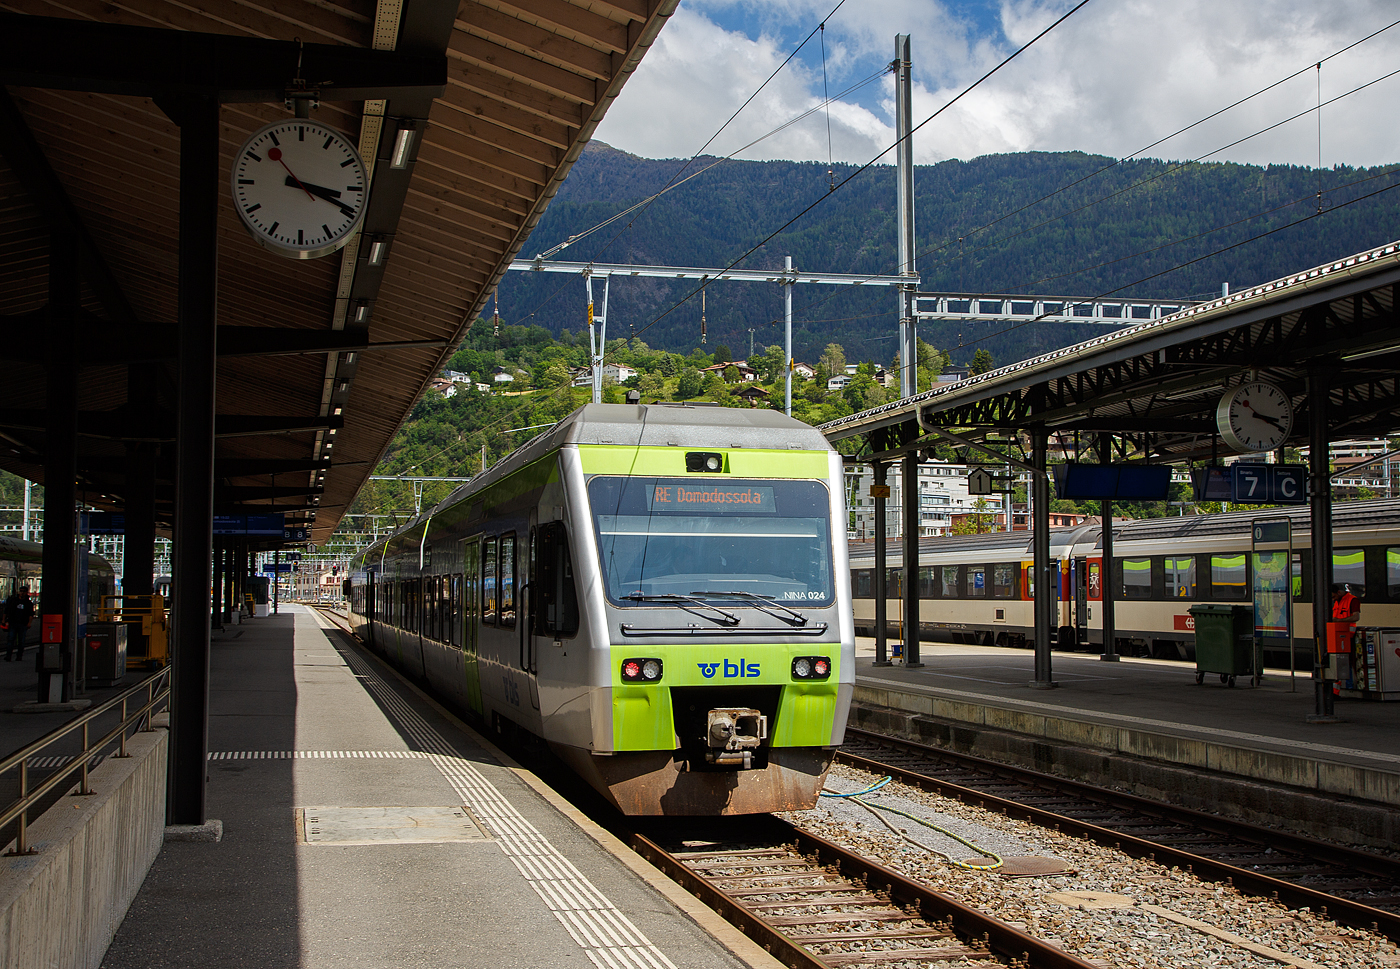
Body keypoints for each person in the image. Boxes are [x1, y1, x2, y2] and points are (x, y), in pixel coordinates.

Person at [3, 586, 35, 661]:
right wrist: (4, 620)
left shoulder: (28, 603)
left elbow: (31, 614)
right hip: (13, 623)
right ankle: (9, 656)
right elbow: (6, 610)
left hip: (22, 623)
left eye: (23, 591)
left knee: (21, 641)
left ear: (26, 592)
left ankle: (19, 656)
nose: (22, 593)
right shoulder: (13, 601)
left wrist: (29, 623)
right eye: (21, 591)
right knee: (10, 639)